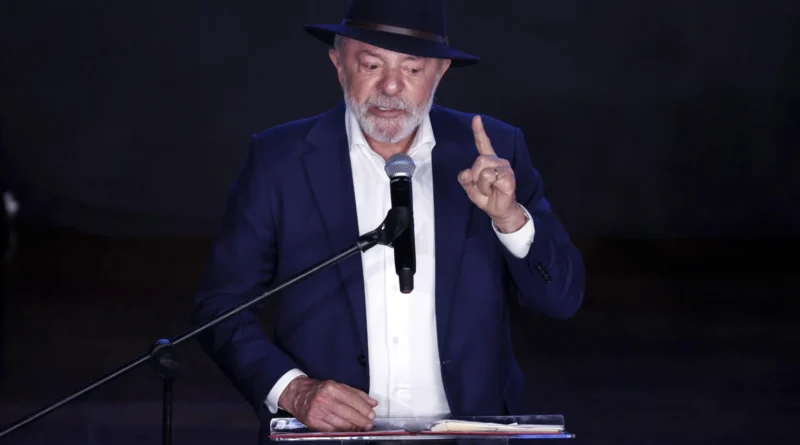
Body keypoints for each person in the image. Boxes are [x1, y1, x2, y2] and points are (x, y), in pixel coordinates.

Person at [192, 0, 585, 440]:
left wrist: (509, 217)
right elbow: (220, 306)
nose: (392, 86)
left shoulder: (495, 153)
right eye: (372, 64)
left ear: (440, 72)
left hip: (469, 433)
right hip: (331, 438)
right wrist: (293, 389)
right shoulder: (278, 160)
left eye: (412, 69)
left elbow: (561, 298)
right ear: (339, 64)